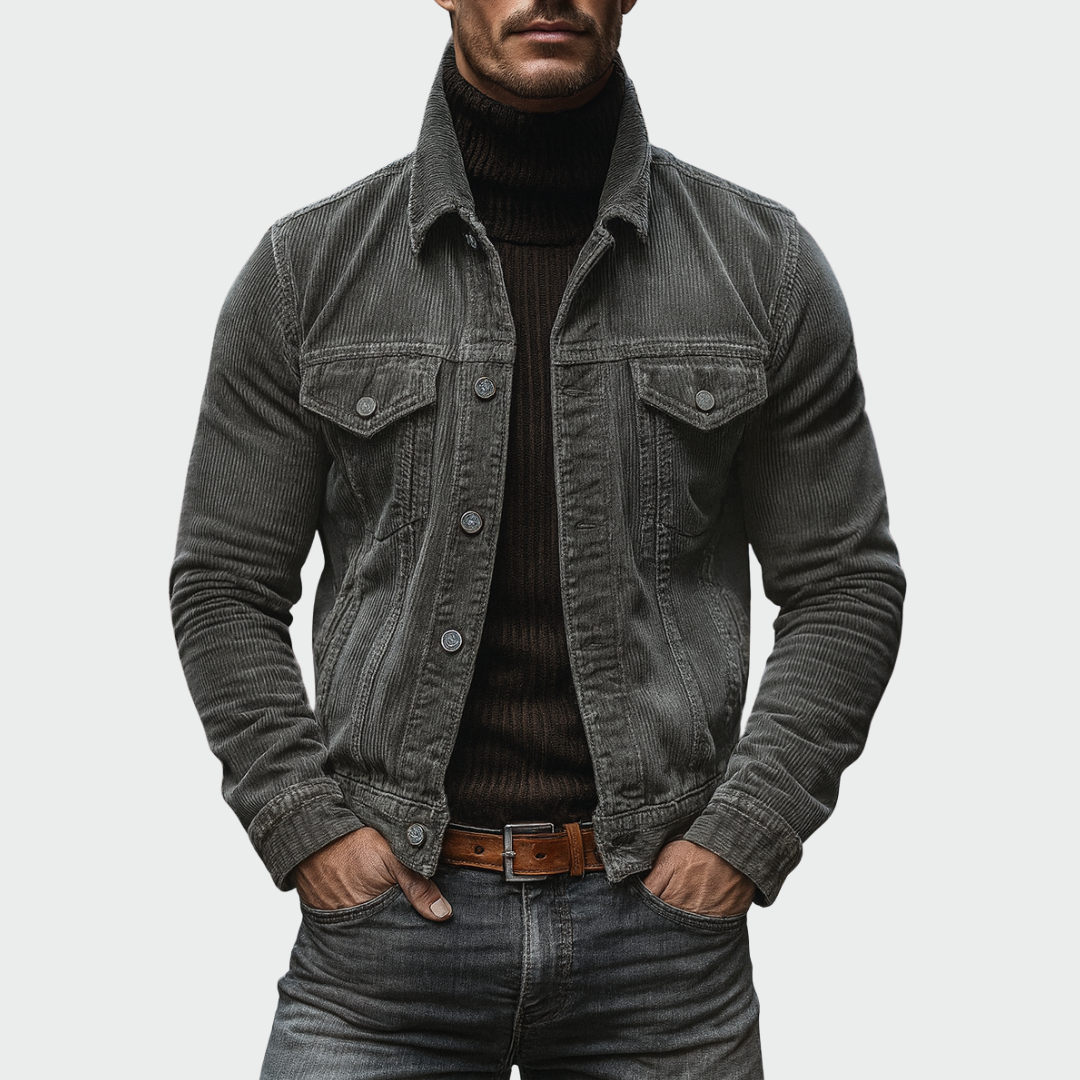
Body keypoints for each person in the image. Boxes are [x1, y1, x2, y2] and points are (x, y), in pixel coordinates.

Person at [171, 1, 905, 1075]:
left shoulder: (764, 267)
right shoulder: (306, 270)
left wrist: (743, 838)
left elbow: (845, 583)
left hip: (663, 951)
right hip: (382, 953)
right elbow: (225, 585)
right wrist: (308, 827)